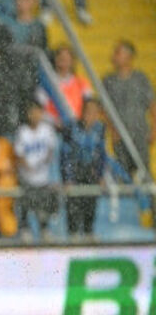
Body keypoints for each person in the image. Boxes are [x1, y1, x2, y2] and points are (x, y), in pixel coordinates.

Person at [102, 40, 156, 182]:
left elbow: (152, 105)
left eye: (118, 52)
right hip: (120, 135)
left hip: (140, 134)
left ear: (129, 56)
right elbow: (104, 109)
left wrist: (154, 129)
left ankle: (150, 203)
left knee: (143, 170)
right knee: (123, 172)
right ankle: (127, 204)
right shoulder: (108, 80)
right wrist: (112, 130)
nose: (114, 56)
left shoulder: (140, 78)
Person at [60, 97, 106, 241]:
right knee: (74, 203)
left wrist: (101, 175)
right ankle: (73, 233)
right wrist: (68, 177)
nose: (91, 115)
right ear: (82, 112)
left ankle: (88, 232)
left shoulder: (99, 129)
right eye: (88, 111)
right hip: (75, 172)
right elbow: (65, 154)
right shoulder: (72, 128)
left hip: (90, 172)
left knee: (91, 202)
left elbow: (101, 154)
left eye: (94, 112)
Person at [15, 101, 60, 243]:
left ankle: (44, 230)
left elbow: (51, 150)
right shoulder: (22, 131)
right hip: (27, 178)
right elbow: (19, 155)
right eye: (31, 112)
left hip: (42, 177)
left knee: (43, 207)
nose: (34, 115)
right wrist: (28, 166)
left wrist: (42, 163)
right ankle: (25, 230)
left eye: (37, 112)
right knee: (26, 205)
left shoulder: (47, 130)